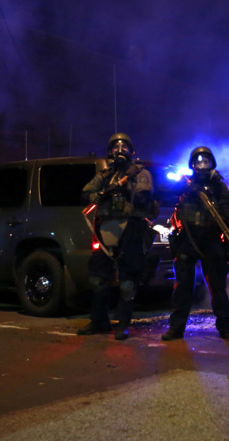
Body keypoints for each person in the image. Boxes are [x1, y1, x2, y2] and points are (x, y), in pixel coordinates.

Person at [77, 132, 154, 340]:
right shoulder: (105, 175)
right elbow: (86, 193)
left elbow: (143, 195)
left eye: (124, 147)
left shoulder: (139, 173)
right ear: (110, 151)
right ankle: (99, 321)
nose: (120, 150)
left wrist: (127, 187)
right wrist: (101, 194)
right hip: (106, 231)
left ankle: (123, 324)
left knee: (128, 282)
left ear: (131, 151)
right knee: (97, 279)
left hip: (131, 229)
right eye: (115, 147)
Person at [162, 146, 229, 341]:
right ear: (192, 164)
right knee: (182, 288)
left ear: (211, 163)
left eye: (205, 161)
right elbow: (165, 192)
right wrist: (185, 188)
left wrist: (216, 217)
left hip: (211, 239)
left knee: (218, 288)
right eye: (198, 162)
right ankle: (176, 328)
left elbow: (228, 211)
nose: (202, 165)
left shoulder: (219, 187)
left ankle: (225, 327)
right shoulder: (186, 184)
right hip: (187, 239)